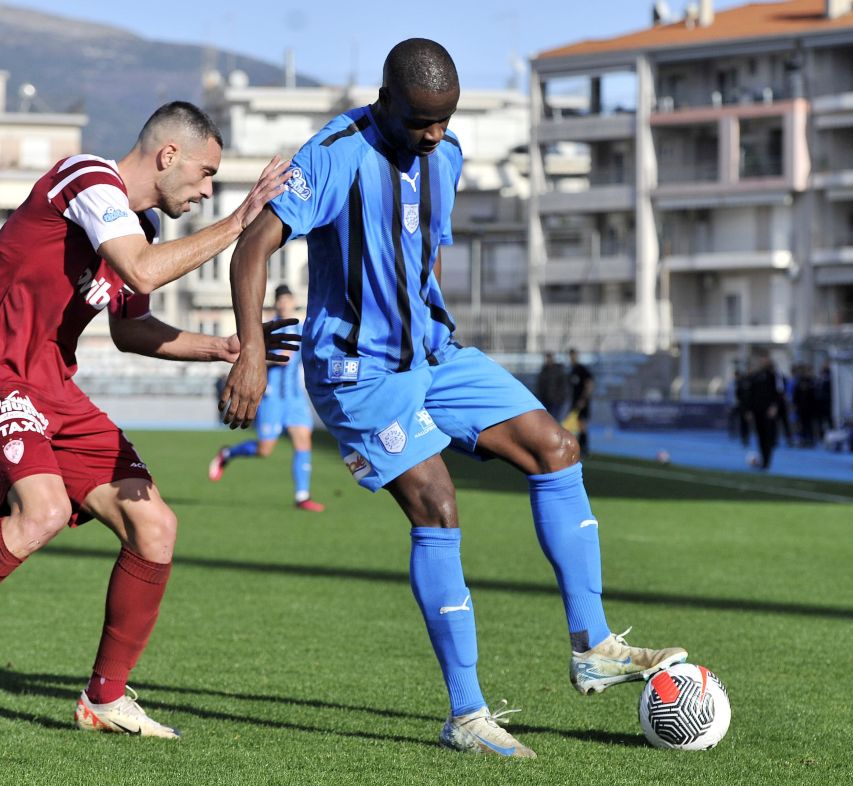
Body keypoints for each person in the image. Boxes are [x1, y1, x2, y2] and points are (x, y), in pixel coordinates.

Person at [217, 38, 685, 758]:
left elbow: (425, 247)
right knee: (437, 502)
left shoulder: (449, 155)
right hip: (358, 371)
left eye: (445, 120)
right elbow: (253, 247)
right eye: (420, 122)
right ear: (385, 101)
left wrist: (427, 315)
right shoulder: (335, 151)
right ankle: (466, 714)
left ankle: (592, 645)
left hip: (434, 354)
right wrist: (250, 349)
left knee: (555, 448)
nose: (434, 136)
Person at [0, 101, 295, 748]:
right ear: (167, 156)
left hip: (53, 388)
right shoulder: (88, 180)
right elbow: (143, 269)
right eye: (207, 174)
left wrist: (224, 346)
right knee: (37, 512)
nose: (209, 191)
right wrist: (243, 221)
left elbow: (131, 331)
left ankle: (105, 698)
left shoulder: (138, 224)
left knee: (154, 526)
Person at [208, 283, 325, 512]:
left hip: (294, 398)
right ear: (275, 303)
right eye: (280, 300)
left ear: (293, 302)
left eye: (287, 299)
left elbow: (306, 358)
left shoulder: (302, 330)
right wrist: (274, 357)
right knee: (265, 449)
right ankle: (228, 453)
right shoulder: (267, 331)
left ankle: (302, 496)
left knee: (303, 441)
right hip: (271, 398)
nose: (284, 303)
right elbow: (255, 358)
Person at [745, 349, 781, 470]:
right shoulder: (754, 377)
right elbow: (750, 394)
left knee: (767, 436)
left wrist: (774, 406)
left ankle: (767, 461)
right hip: (757, 410)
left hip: (768, 410)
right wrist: (749, 410)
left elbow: (777, 393)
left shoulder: (772, 376)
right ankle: (762, 459)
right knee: (760, 436)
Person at [567, 348, 594, 455]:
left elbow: (590, 382)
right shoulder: (572, 370)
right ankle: (579, 446)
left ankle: (584, 448)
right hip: (574, 401)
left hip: (582, 402)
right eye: (570, 356)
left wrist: (584, 398)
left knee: (582, 424)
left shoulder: (581, 369)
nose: (571, 358)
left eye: (573, 355)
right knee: (576, 424)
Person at [535, 351, 568, 417]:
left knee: (555, 419)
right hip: (546, 400)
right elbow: (540, 385)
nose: (548, 360)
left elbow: (563, 385)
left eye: (549, 358)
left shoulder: (558, 370)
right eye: (547, 358)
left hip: (557, 401)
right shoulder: (544, 371)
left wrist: (559, 398)